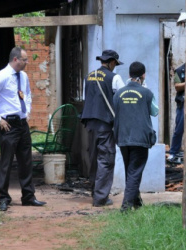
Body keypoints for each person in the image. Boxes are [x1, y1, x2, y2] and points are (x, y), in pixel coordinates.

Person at [0, 47, 46, 211]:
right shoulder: (2, 76)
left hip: (22, 123)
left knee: (26, 160)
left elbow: (27, 94)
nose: (27, 62)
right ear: (16, 60)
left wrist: (28, 111)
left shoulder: (23, 76)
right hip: (8, 124)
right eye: (25, 59)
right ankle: (3, 198)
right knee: (7, 162)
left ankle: (28, 196)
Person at [81, 49, 125, 207]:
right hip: (105, 124)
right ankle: (100, 197)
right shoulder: (115, 77)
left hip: (90, 124)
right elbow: (122, 99)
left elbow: (87, 99)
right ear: (112, 62)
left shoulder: (89, 76)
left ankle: (95, 191)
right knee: (105, 159)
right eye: (115, 64)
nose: (115, 67)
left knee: (93, 158)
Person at [113, 61, 158, 212]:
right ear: (143, 75)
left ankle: (136, 202)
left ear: (129, 75)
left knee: (130, 170)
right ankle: (126, 207)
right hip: (140, 138)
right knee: (135, 171)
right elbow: (155, 111)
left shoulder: (119, 93)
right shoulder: (147, 93)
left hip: (123, 137)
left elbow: (115, 110)